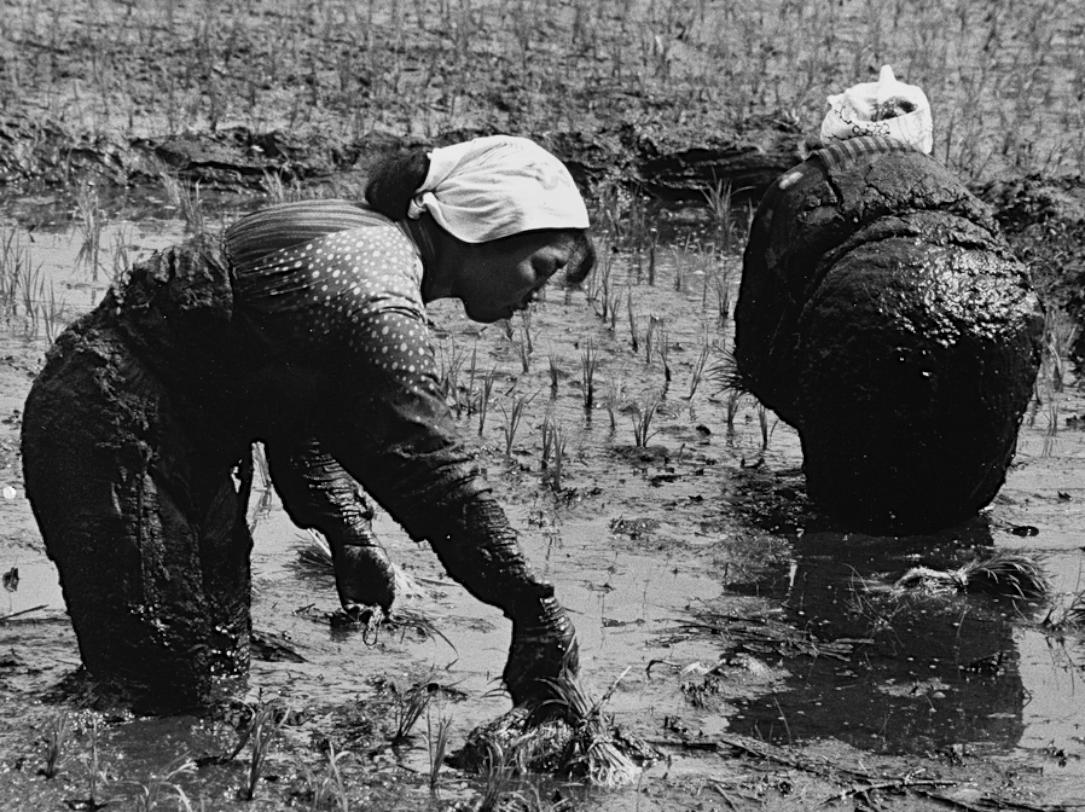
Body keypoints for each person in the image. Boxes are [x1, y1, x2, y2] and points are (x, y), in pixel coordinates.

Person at [21, 135, 594, 713]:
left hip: (174, 438)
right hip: (110, 433)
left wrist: (347, 532)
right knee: (157, 693)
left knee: (219, 665)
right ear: (487, 225)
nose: (534, 296)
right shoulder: (378, 294)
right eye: (539, 268)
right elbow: (428, 467)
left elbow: (299, 409)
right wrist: (530, 604)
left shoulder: (366, 243)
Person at [733, 67, 1043, 530]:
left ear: (831, 132)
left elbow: (757, 353)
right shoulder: (957, 192)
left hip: (858, 314)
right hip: (997, 317)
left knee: (849, 516)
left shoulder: (792, 189)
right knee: (956, 511)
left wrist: (820, 414)